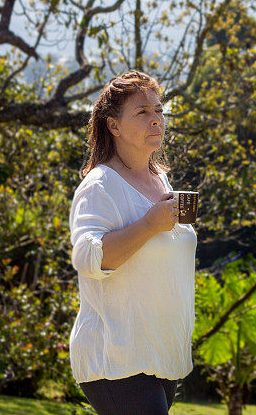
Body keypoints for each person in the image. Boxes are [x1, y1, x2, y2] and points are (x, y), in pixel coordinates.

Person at [68, 70, 197, 414]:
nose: (156, 120)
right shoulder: (100, 185)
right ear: (114, 126)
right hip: (117, 357)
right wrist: (149, 224)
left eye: (158, 111)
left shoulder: (160, 178)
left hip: (158, 354)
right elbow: (89, 258)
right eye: (142, 112)